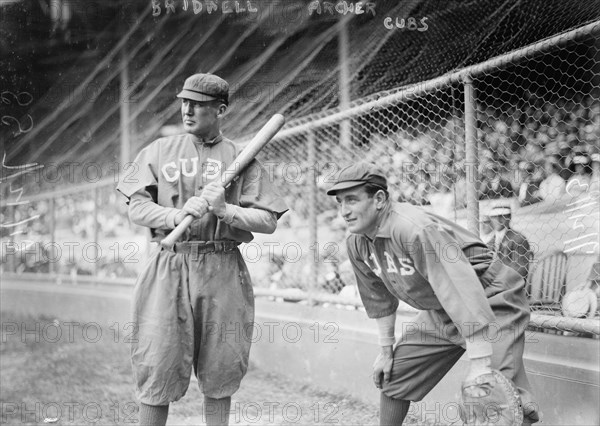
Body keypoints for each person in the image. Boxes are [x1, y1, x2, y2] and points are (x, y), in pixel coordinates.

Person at [116, 73, 288, 426]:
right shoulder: (158, 150)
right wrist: (174, 213)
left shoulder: (239, 156)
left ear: (220, 109)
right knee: (157, 359)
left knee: (221, 364)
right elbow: (136, 207)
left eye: (198, 104)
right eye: (184, 102)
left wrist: (227, 210)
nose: (188, 109)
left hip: (221, 263)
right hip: (170, 261)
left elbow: (268, 220)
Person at [326, 162, 538, 426]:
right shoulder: (357, 242)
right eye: (340, 202)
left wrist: (480, 360)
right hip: (443, 307)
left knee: (494, 396)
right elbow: (379, 299)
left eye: (352, 200)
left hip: (490, 298)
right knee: (396, 375)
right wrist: (386, 351)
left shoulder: (413, 228)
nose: (344, 211)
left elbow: (460, 288)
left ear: (379, 199)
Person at [488, 204, 532, 282]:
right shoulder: (489, 242)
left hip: (512, 286)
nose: (498, 220)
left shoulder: (518, 239)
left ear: (509, 217)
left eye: (502, 216)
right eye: (494, 217)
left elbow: (520, 271)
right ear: (490, 219)